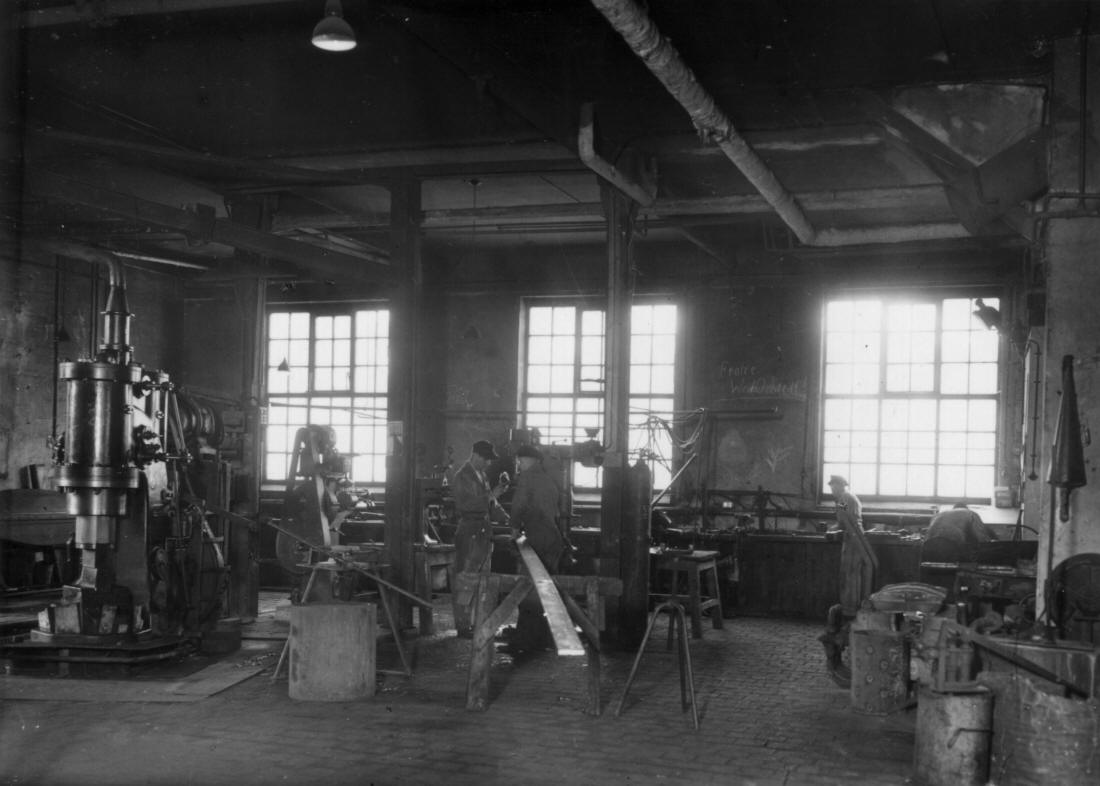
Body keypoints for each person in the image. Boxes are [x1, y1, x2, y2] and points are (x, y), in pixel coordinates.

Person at [508, 443, 565, 652]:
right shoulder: (549, 480)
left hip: (537, 540)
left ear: (529, 460)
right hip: (553, 539)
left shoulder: (528, 477)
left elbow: (519, 505)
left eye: (520, 460)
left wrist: (514, 529)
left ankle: (526, 640)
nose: (519, 464)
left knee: (528, 589)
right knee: (547, 590)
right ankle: (543, 638)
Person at [450, 439, 510, 637]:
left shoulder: (481, 475)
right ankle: (463, 626)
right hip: (469, 533)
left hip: (484, 533)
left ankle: (479, 623)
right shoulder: (462, 476)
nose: (489, 463)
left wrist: (506, 518)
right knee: (466, 580)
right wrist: (493, 494)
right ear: (475, 456)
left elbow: (491, 504)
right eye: (486, 459)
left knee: (483, 580)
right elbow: (466, 505)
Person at [827, 474, 876, 616]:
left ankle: (850, 610)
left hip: (853, 538)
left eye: (833, 487)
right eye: (831, 487)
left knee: (850, 575)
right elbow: (846, 518)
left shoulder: (844, 499)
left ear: (841, 485)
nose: (832, 490)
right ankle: (852, 608)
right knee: (853, 574)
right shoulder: (849, 497)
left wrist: (831, 529)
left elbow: (844, 519)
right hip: (855, 536)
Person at [923, 502, 998, 562]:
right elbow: (982, 539)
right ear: (966, 508)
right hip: (951, 548)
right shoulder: (970, 513)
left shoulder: (938, 515)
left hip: (927, 548)